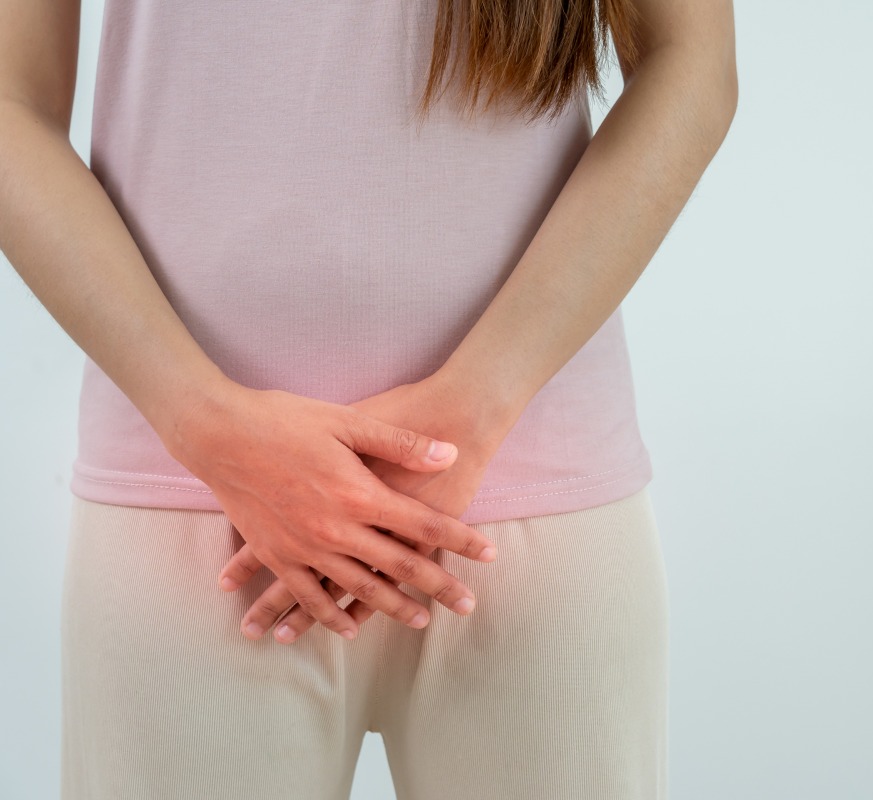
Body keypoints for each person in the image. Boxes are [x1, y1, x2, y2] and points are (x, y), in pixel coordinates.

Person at [0, 0, 737, 796]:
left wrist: (480, 402)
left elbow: (689, 64)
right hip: (199, 504)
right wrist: (201, 420)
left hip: (530, 509)